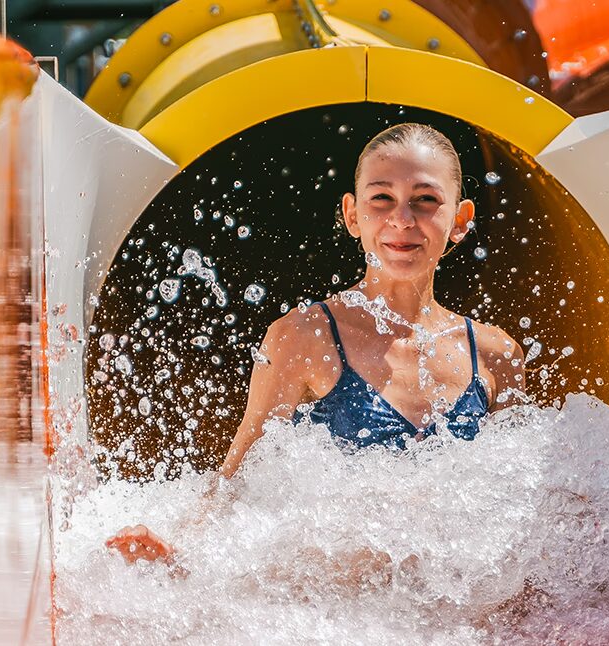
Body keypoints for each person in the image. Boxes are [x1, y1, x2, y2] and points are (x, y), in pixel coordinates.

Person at [107, 123, 526, 566]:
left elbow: (513, 512)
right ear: (352, 214)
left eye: (425, 200)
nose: (402, 219)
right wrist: (178, 555)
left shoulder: (495, 355)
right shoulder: (305, 338)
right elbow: (237, 481)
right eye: (381, 198)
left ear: (460, 220)